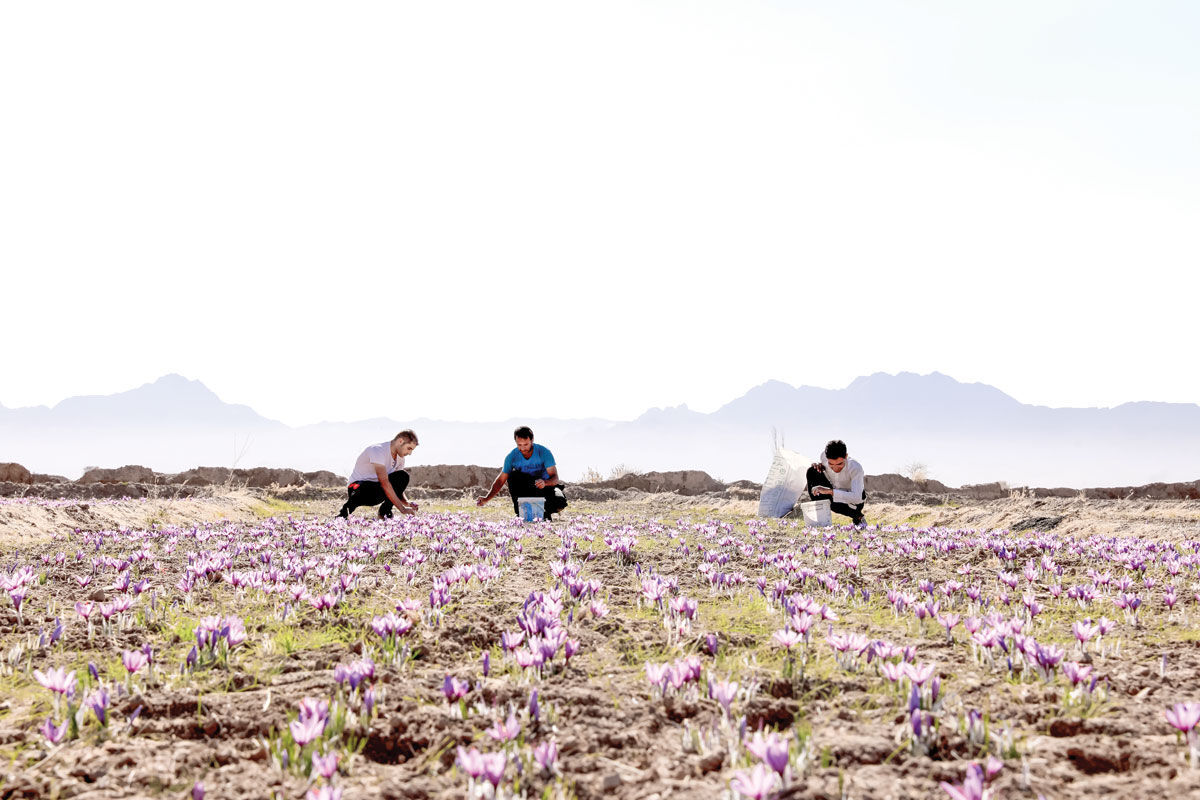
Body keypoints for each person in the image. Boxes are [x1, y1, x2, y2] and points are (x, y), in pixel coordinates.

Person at [476, 426, 567, 520]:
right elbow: (500, 481)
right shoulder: (512, 457)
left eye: (526, 444)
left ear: (532, 440)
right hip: (526, 489)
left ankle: (544, 513)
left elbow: (555, 478)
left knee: (560, 502)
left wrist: (545, 483)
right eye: (519, 445)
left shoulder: (544, 452)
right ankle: (521, 513)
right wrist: (486, 499)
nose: (523, 448)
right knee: (512, 475)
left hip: (545, 488)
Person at [337, 430, 420, 519]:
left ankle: (384, 513)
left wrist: (407, 503)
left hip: (377, 491)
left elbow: (397, 487)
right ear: (400, 441)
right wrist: (402, 509)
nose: (410, 453)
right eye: (409, 448)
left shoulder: (400, 458)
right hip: (359, 489)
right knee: (380, 484)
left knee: (402, 476)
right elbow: (384, 482)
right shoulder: (378, 450)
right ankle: (343, 514)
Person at [806, 439, 867, 525]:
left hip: (854, 501)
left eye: (839, 464)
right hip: (835, 492)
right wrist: (819, 467)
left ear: (846, 456)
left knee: (837, 498)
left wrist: (829, 491)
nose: (835, 468)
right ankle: (820, 518)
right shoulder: (823, 457)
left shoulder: (855, 467)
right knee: (812, 471)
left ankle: (858, 516)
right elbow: (822, 467)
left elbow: (857, 498)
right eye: (831, 464)